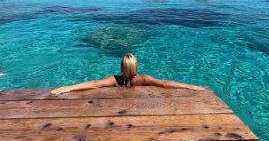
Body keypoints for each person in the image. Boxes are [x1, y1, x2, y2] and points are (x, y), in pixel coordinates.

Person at [51, 53, 204, 95]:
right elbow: (165, 83)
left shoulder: (115, 80)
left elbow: (94, 84)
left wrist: (70, 87)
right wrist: (190, 86)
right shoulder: (143, 79)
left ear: (121, 67)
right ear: (136, 67)